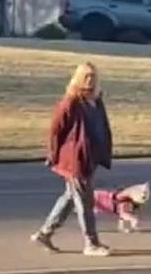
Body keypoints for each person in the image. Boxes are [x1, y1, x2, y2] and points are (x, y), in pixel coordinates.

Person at [31, 61, 113, 257]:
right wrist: (52, 154)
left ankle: (45, 233)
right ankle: (91, 243)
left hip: (90, 157)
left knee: (70, 197)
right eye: (86, 76)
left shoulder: (96, 100)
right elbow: (55, 130)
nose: (90, 80)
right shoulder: (71, 102)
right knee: (85, 201)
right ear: (78, 78)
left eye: (93, 76)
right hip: (75, 159)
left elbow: (102, 126)